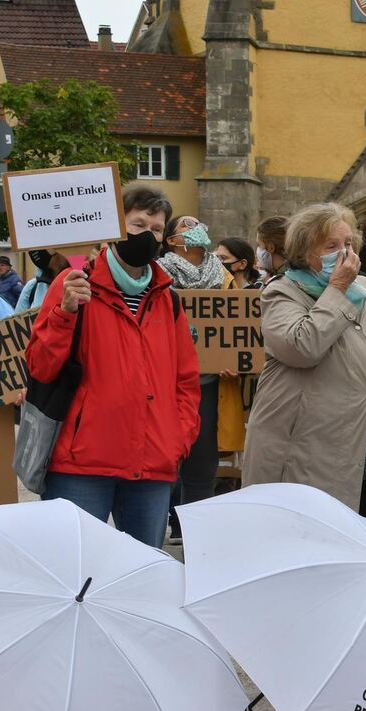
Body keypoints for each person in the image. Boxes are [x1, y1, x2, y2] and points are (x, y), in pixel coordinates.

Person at [26, 185, 199, 547]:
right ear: (115, 228)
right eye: (138, 224)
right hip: (82, 466)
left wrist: (176, 439)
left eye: (155, 228)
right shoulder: (73, 283)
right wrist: (65, 313)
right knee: (76, 575)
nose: (147, 235)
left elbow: (185, 380)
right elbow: (41, 367)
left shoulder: (167, 300)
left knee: (141, 578)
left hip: (152, 466)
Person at [242, 204, 366, 527]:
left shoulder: (364, 293)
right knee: (312, 540)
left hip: (364, 446)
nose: (344, 253)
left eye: (348, 244)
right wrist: (336, 291)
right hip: (305, 452)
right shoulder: (281, 293)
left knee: (362, 542)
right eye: (331, 246)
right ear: (305, 252)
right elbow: (301, 346)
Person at [160, 214, 234, 544]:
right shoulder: (156, 276)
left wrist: (232, 357)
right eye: (186, 227)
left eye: (197, 225)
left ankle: (197, 540)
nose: (194, 230)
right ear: (171, 239)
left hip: (207, 384)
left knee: (202, 466)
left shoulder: (224, 276)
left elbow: (237, 324)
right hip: (163, 384)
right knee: (163, 463)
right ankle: (167, 524)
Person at [256, 215, 289, 282]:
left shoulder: (281, 282)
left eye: (259, 245)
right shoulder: (299, 273)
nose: (257, 250)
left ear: (270, 247)